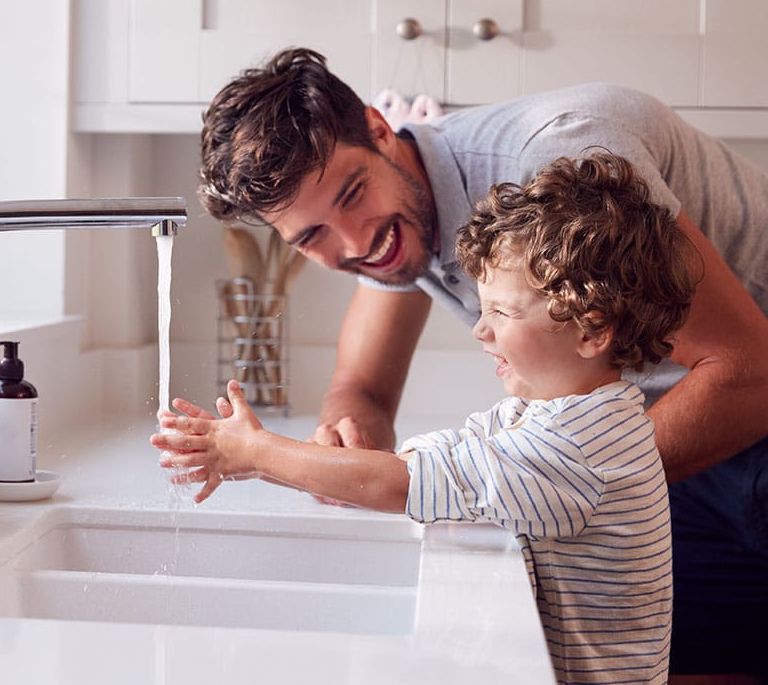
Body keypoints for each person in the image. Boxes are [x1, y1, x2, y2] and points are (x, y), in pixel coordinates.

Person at [196, 48, 768, 681]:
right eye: (311, 238)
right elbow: (361, 388)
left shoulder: (554, 176)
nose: (353, 242)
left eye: (352, 194)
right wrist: (349, 439)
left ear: (379, 130)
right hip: (672, 425)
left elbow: (749, 372)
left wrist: (519, 483)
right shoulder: (390, 232)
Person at [153, 152, 698, 684]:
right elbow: (434, 463)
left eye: (501, 313)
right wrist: (252, 462)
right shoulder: (558, 413)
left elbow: (407, 483)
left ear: (591, 330)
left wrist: (258, 450)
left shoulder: (575, 449)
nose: (479, 332)